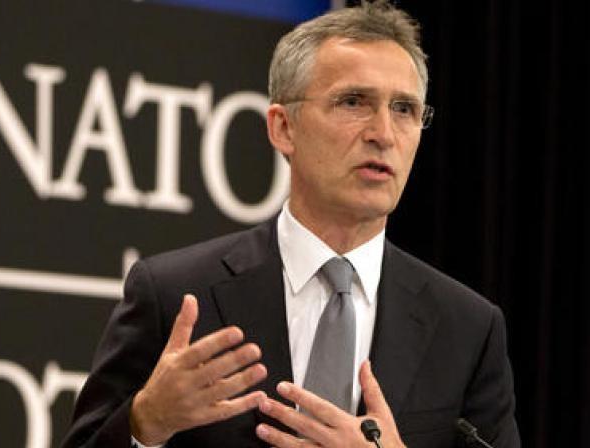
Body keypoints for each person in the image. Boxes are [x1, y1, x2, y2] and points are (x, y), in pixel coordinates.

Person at [62, 1, 520, 447]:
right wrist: (147, 423)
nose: (384, 133)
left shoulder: (467, 329)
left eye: (404, 109)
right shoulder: (175, 294)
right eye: (353, 101)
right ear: (283, 128)